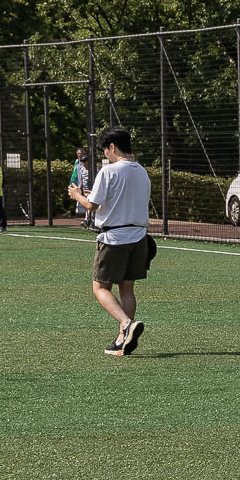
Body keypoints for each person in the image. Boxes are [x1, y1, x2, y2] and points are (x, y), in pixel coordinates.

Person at [69, 127, 154, 357]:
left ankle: (127, 325)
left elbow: (91, 205)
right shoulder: (142, 172)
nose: (105, 154)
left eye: (105, 150)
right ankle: (121, 340)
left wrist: (77, 194)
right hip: (139, 238)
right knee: (127, 289)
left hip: (114, 237)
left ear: (113, 147)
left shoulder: (109, 172)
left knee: (99, 288)